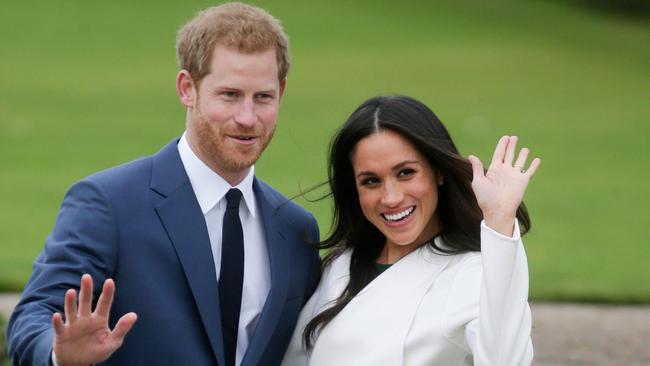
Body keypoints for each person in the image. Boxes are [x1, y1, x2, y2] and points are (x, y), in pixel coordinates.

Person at [7, 3, 320, 366]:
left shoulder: (296, 230)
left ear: (281, 91)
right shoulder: (108, 204)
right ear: (188, 89)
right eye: (230, 94)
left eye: (262, 97)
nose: (247, 118)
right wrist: (59, 355)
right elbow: (34, 315)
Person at [282, 95, 540, 366]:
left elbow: (506, 360)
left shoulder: (472, 273)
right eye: (371, 181)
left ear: (437, 171)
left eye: (405, 173)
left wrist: (499, 221)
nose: (391, 198)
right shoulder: (342, 265)